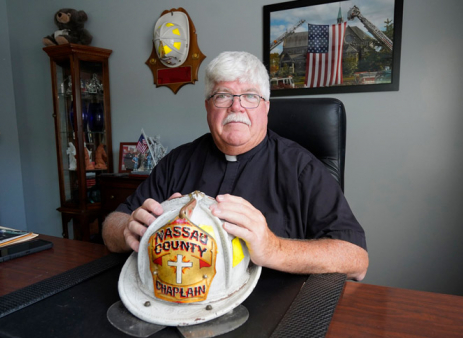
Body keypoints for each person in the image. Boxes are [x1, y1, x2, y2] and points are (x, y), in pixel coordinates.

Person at [102, 51, 368, 280]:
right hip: (182, 296)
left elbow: (356, 259)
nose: (236, 106)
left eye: (250, 96)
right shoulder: (178, 161)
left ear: (266, 108)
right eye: (223, 95)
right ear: (208, 107)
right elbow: (112, 224)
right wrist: (130, 229)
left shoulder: (303, 168)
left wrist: (273, 248)